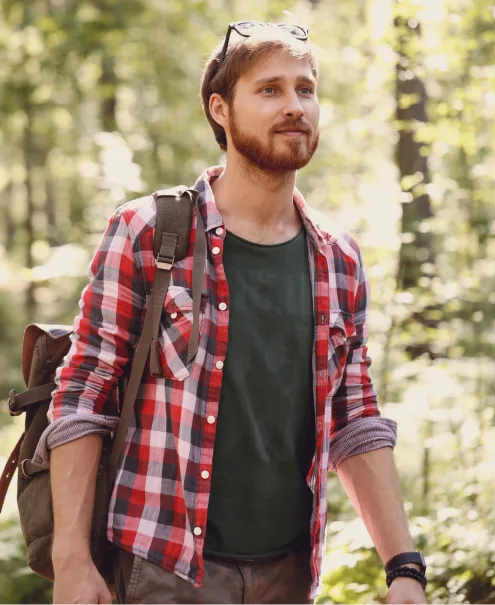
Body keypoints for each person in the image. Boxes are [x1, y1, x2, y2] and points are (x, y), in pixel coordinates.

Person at [34, 20, 428, 605]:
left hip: (291, 575)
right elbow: (82, 395)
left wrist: (404, 568)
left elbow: (355, 416)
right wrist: (71, 560)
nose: (295, 106)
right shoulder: (149, 231)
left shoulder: (337, 258)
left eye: (305, 89)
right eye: (269, 89)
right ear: (221, 109)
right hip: (164, 568)